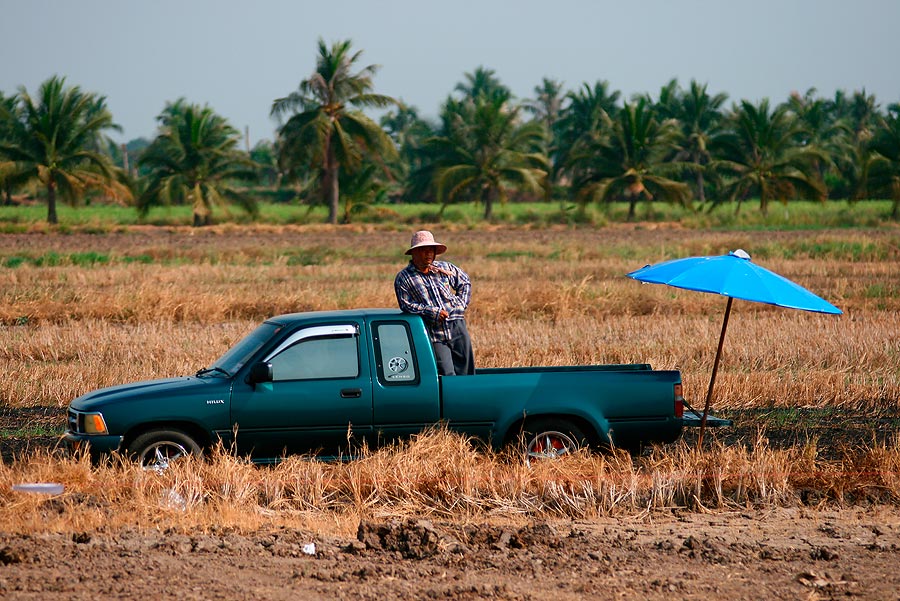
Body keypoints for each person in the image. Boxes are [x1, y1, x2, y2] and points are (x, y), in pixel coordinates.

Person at [394, 230, 475, 376]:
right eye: (424, 250)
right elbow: (406, 304)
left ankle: (468, 397)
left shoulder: (445, 268)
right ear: (414, 253)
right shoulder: (404, 278)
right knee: (445, 372)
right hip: (433, 331)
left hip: (456, 325)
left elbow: (465, 282)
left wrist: (460, 305)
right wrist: (432, 312)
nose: (428, 254)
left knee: (466, 370)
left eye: (431, 250)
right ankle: (452, 398)